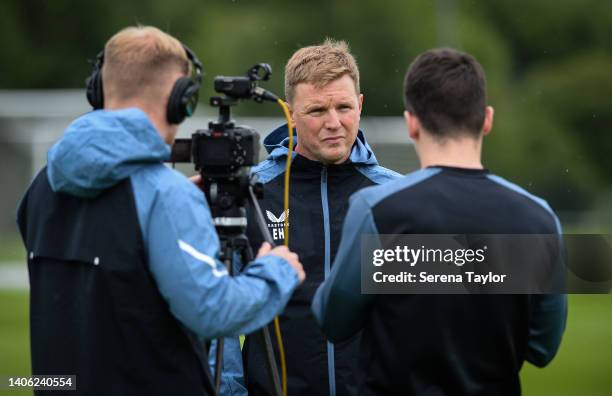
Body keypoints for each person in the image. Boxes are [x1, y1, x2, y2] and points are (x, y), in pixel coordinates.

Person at [16, 25, 304, 396]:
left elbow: (103, 252)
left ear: (99, 89)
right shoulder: (164, 197)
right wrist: (276, 270)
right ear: (180, 99)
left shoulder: (42, 184)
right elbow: (215, 311)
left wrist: (166, 212)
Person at [312, 48, 567, 395]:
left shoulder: (377, 208)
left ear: (412, 123)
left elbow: (333, 321)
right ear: (487, 119)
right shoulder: (539, 218)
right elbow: (542, 348)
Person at [220, 39, 400, 396]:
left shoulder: (397, 196)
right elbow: (221, 314)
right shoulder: (250, 192)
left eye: (344, 107)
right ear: (289, 112)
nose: (334, 123)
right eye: (317, 110)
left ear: (360, 105)